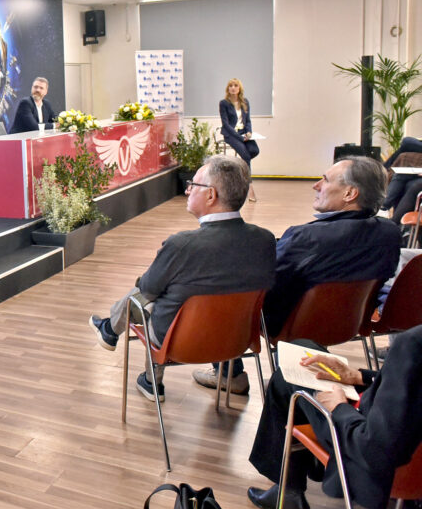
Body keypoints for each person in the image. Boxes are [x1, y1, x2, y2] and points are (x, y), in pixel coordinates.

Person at [193, 156, 401, 394]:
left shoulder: (306, 238)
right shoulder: (390, 233)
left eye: (325, 180)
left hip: (290, 325)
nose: (316, 186)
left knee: (222, 283)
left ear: (350, 194)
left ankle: (229, 375)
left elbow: (269, 283)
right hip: (351, 322)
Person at [88, 155, 276, 401]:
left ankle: (148, 378)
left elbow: (147, 289)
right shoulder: (265, 240)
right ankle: (231, 375)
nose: (187, 190)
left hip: (179, 342)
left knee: (148, 299)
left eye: (193, 185)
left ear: (210, 195)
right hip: (237, 340)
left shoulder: (181, 245)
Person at [246, 325, 422, 509]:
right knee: (305, 349)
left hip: (363, 441)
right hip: (396, 427)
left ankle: (288, 489)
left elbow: (372, 448)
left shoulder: (412, 345)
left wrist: (339, 408)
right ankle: (294, 482)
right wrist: (359, 376)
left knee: (286, 377)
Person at [219, 78, 260, 201]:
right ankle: (249, 188)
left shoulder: (245, 102)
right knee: (246, 156)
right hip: (231, 134)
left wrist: (249, 132)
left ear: (239, 88)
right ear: (228, 89)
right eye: (230, 85)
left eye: (235, 85)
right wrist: (240, 138)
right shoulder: (224, 103)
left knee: (254, 151)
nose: (233, 88)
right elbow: (226, 124)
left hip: (243, 133)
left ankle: (239, 168)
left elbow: (248, 121)